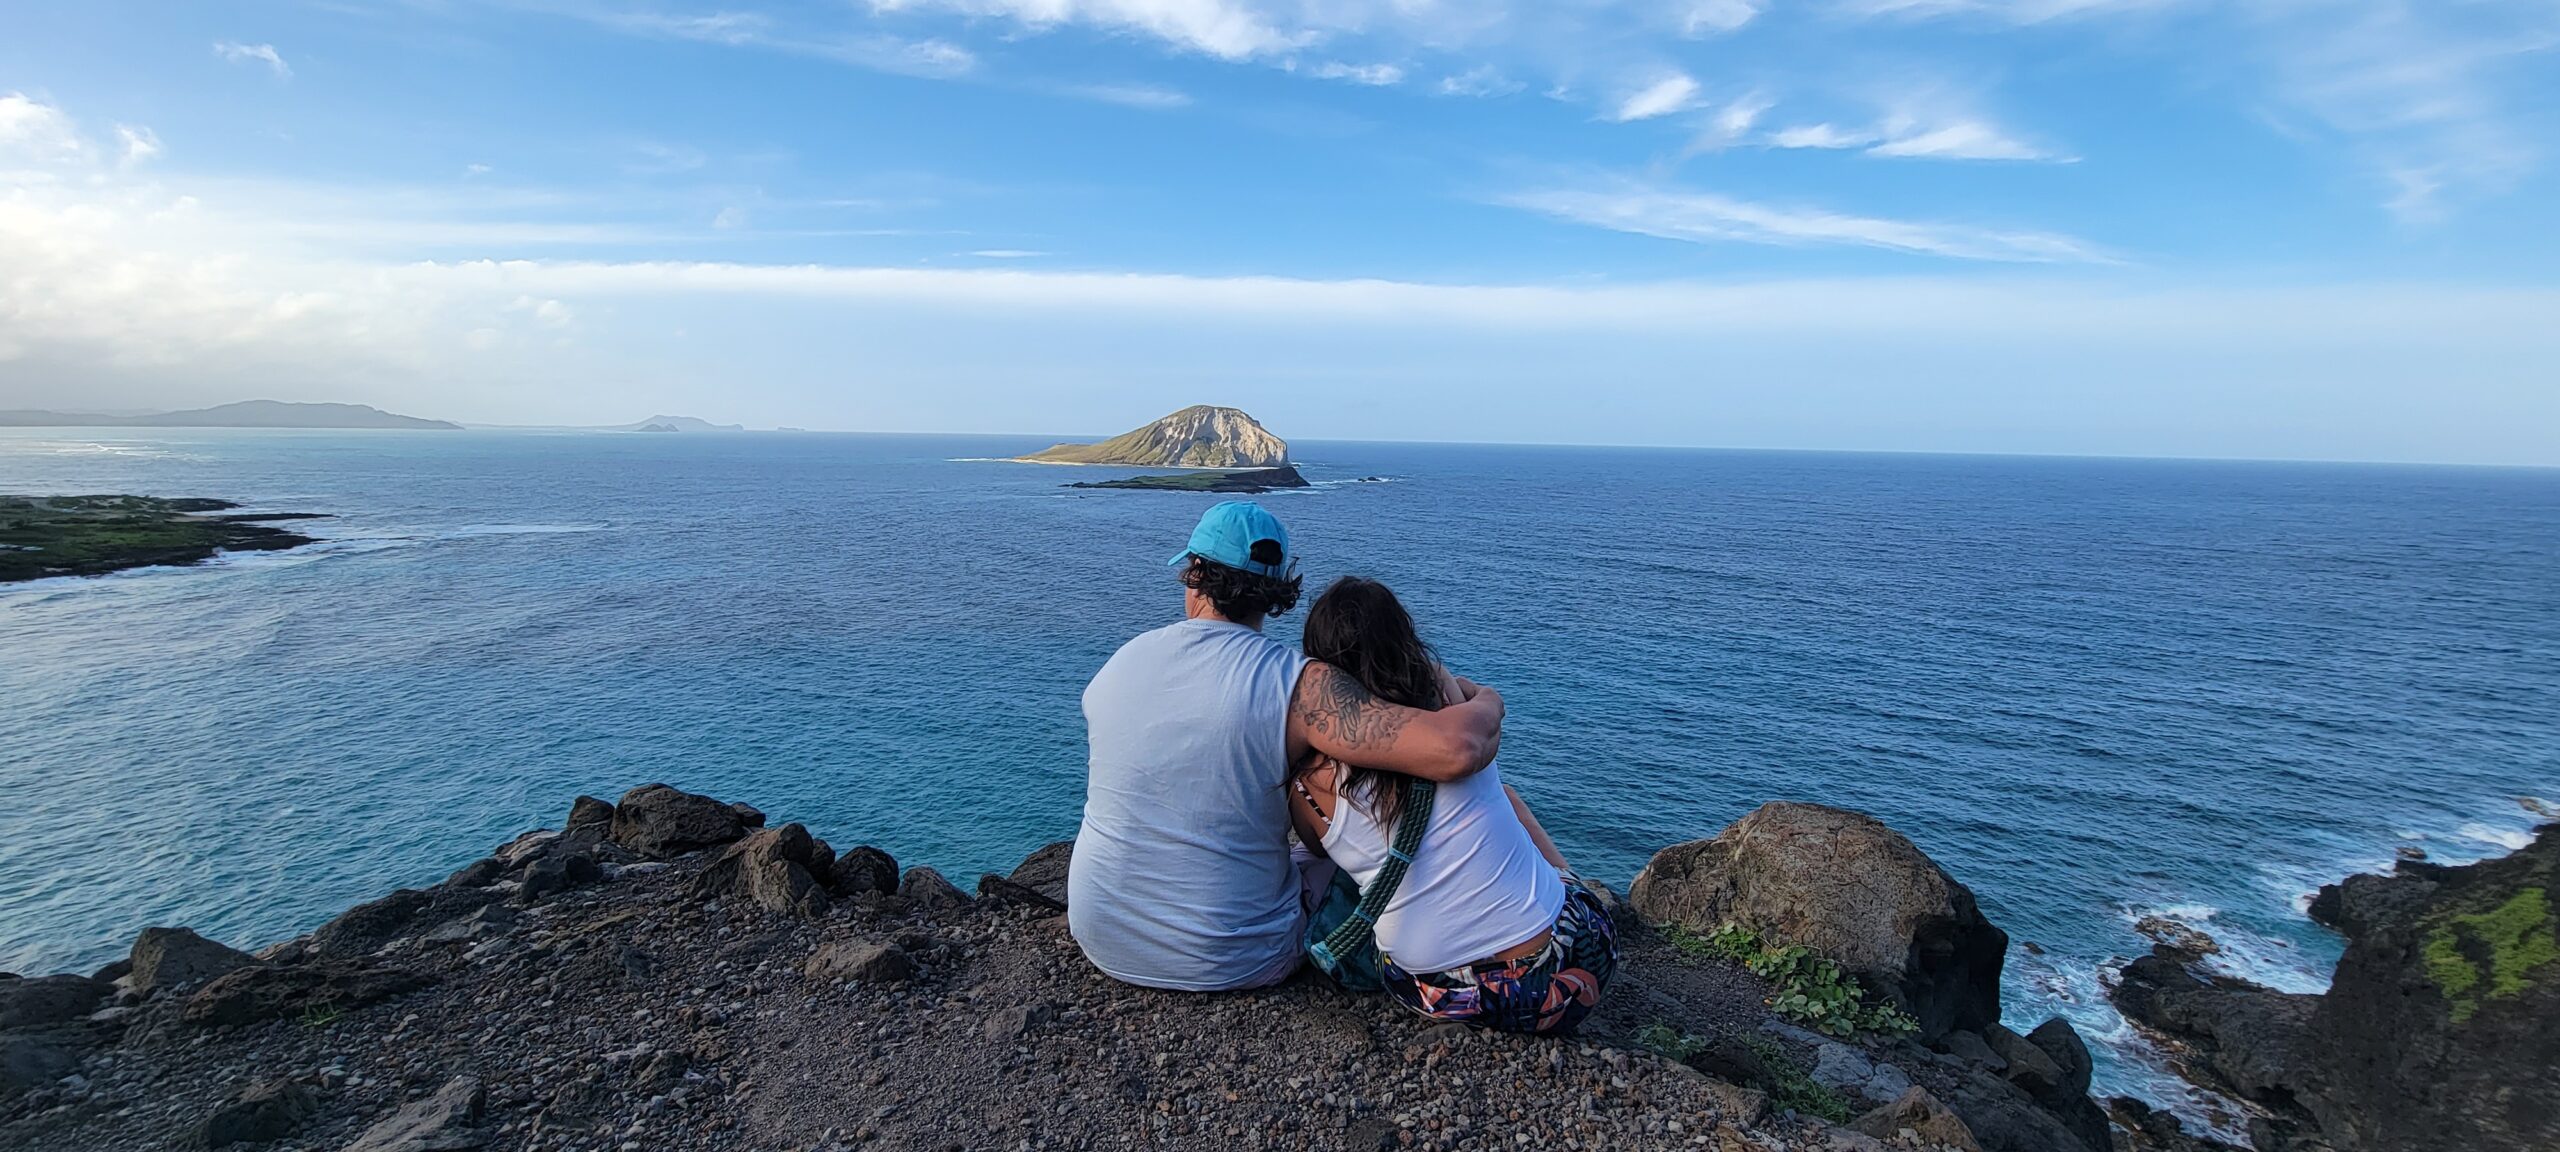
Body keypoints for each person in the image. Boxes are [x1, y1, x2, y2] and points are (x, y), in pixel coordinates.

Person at [1067, 501, 1509, 992]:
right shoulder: (1300, 685)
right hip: (1232, 959)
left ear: (1195, 574)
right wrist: (1488, 700)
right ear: (1276, 590)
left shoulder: (1122, 662)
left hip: (1100, 935)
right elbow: (1458, 750)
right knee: (1346, 841)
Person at [1286, 575, 1618, 1033]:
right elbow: (1442, 679)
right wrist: (1486, 696)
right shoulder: (1449, 710)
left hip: (1442, 991)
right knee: (1505, 797)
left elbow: (1315, 847)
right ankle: (1564, 884)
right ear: (1404, 642)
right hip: (1576, 969)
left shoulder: (1309, 782)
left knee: (1349, 865)